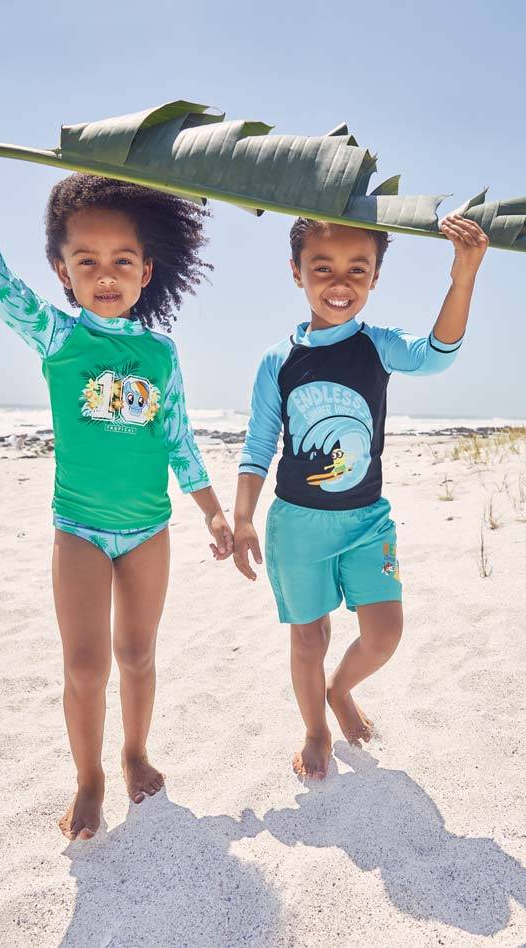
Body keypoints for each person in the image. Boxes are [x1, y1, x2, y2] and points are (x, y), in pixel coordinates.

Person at [0, 120, 233, 840]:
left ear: (146, 271)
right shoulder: (58, 336)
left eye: (122, 261)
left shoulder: (161, 354)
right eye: (87, 261)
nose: (106, 274)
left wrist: (212, 511)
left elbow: (177, 437)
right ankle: (89, 777)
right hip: (79, 530)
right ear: (62, 272)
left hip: (149, 530)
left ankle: (134, 753)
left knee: (138, 655)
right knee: (87, 667)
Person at [232, 212, 488, 779]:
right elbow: (259, 442)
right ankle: (315, 729)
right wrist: (243, 516)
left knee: (384, 633)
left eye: (357, 269)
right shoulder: (278, 361)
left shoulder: (378, 345)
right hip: (298, 525)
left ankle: (339, 688)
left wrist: (463, 276)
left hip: (368, 521)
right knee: (310, 636)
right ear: (296, 271)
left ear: (375, 276)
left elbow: (437, 354)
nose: (340, 283)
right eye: (322, 268)